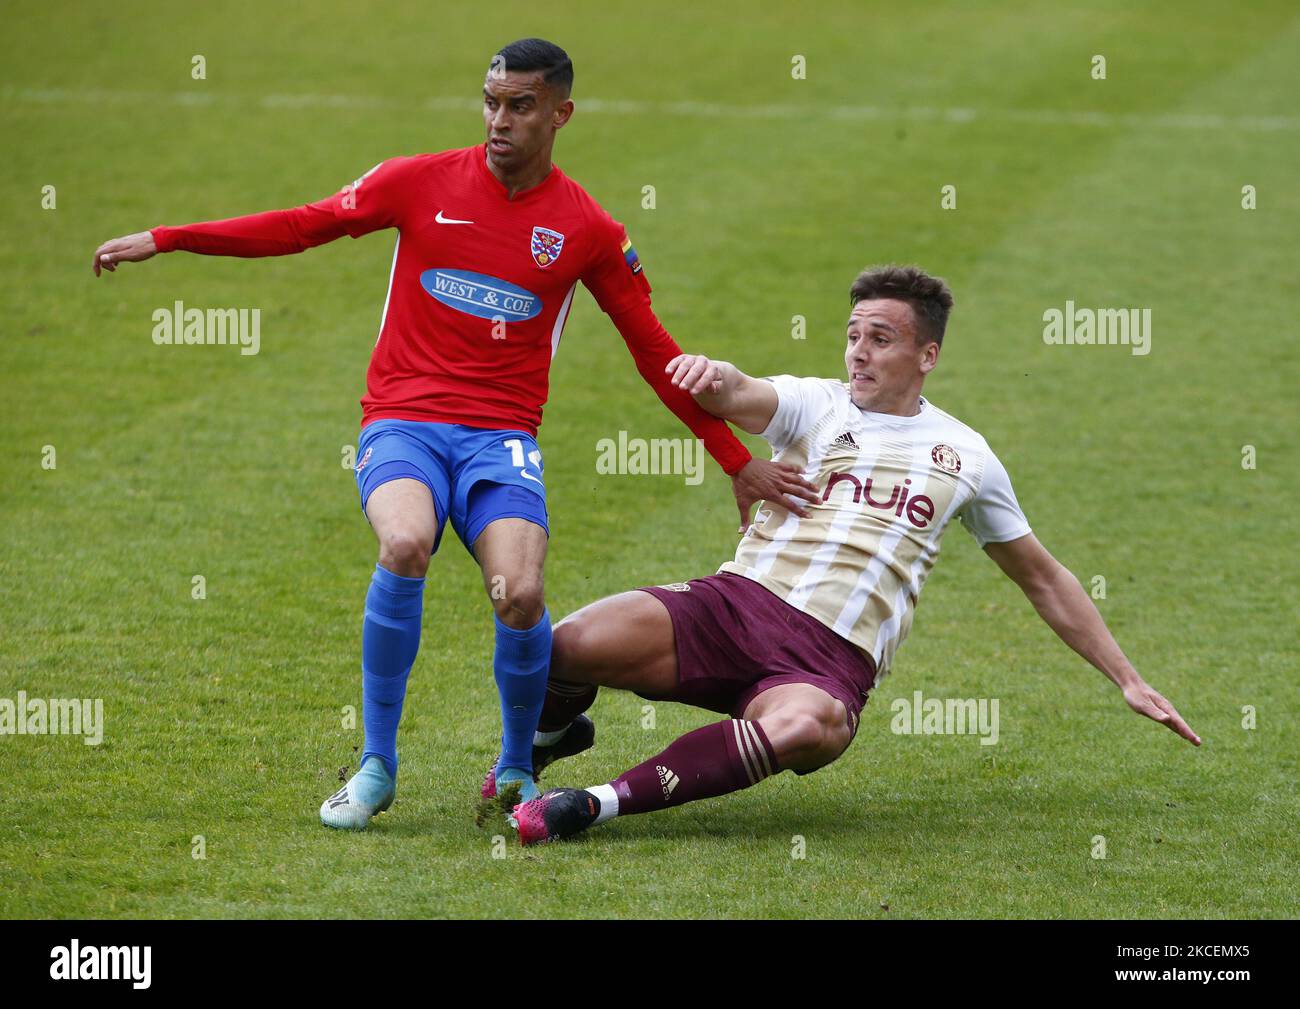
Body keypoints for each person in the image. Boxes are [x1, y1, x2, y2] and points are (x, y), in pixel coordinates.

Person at [90, 38, 818, 829]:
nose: (499, 120)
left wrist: (735, 461)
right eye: (491, 102)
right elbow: (303, 226)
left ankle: (514, 767)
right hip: (402, 421)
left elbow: (655, 355)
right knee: (404, 543)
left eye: (520, 106)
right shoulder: (418, 180)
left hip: (501, 438)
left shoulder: (588, 229)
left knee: (522, 592)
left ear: (560, 114)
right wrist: (169, 237)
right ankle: (375, 766)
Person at [508, 264, 1200, 846]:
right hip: (733, 606)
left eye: (880, 338)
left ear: (927, 355)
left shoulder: (967, 457)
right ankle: (547, 741)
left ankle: (591, 804)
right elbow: (740, 391)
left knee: (810, 724)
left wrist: (1126, 678)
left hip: (826, 660)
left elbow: (1043, 576)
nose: (858, 352)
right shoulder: (817, 405)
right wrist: (709, 373)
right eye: (852, 336)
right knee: (563, 644)